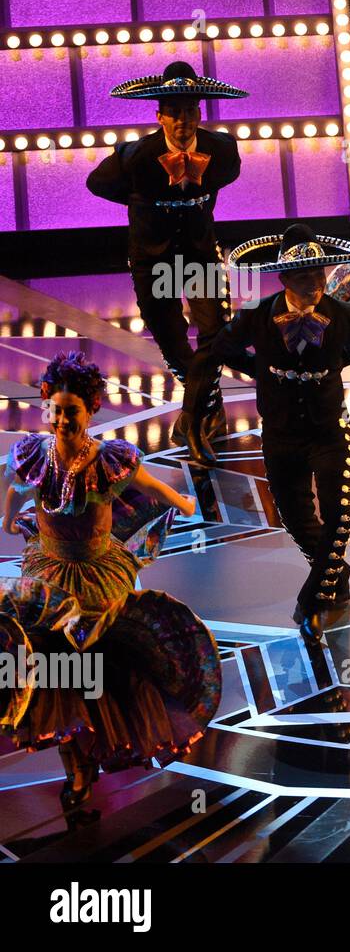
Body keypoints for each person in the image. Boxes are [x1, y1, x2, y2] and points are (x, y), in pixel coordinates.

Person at [1, 352, 217, 829]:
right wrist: (7, 518)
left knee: (92, 673)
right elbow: (15, 486)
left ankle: (92, 752)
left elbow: (152, 487)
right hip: (48, 576)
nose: (60, 420)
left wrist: (185, 501)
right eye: (55, 410)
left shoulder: (108, 461)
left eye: (71, 411)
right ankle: (76, 768)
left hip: (98, 577)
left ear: (91, 409)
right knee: (53, 677)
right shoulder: (35, 453)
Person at [178, 225, 350, 642]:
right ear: (284, 277)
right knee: (294, 517)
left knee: (340, 516)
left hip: (329, 430)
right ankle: (335, 573)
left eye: (320, 272)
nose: (316, 282)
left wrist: (325, 370)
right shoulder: (258, 315)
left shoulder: (344, 316)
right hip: (281, 432)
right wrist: (265, 373)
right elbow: (221, 349)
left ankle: (310, 604)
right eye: (305, 275)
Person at [86, 60, 247, 451]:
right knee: (173, 342)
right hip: (152, 259)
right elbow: (96, 182)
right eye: (173, 112)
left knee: (215, 333)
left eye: (189, 111)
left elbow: (230, 174)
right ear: (159, 116)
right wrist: (144, 201)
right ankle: (210, 404)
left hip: (200, 253)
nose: (182, 121)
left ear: (199, 112)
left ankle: (193, 416)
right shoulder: (136, 156)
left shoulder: (222, 150)